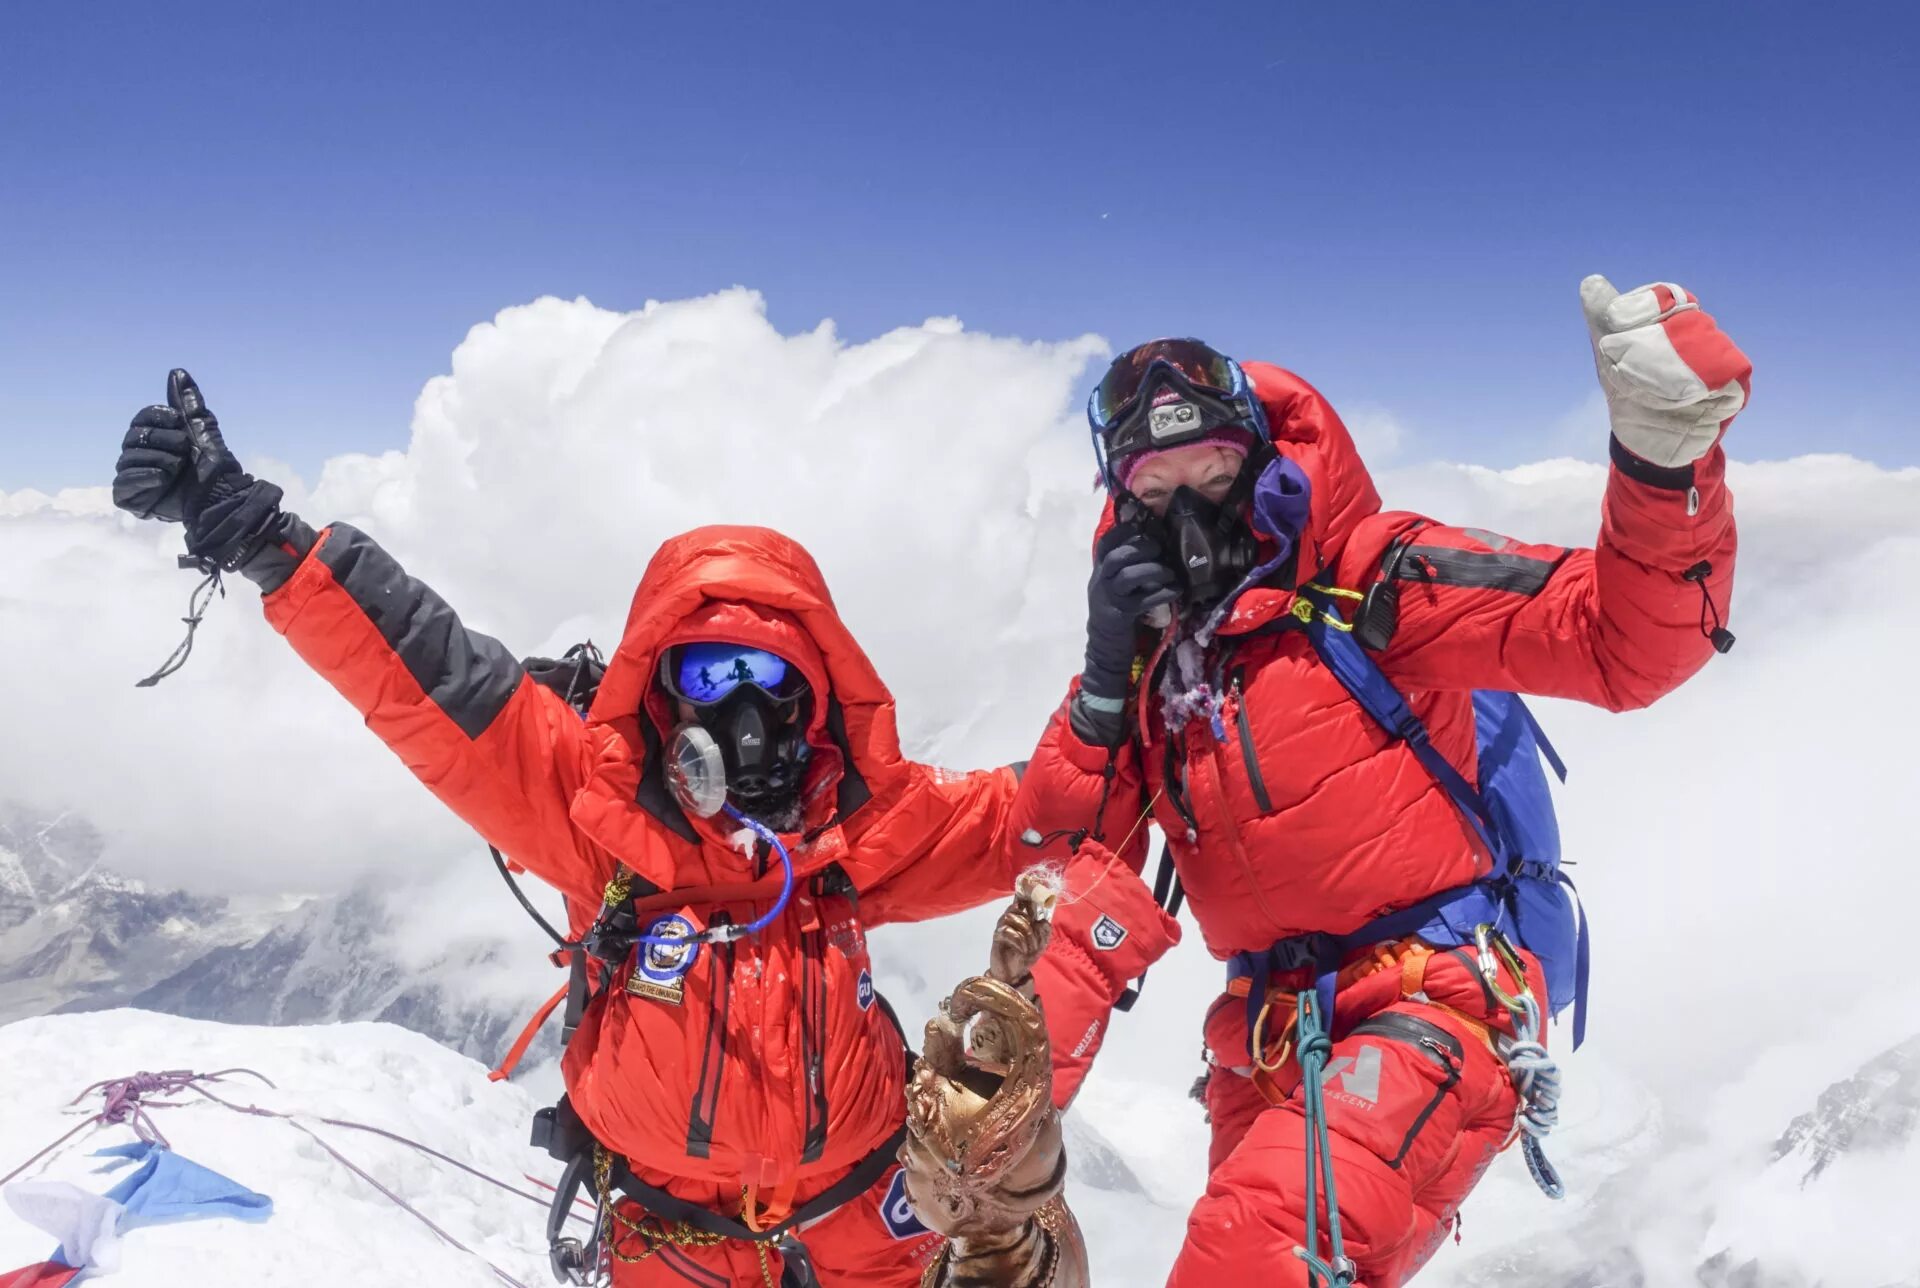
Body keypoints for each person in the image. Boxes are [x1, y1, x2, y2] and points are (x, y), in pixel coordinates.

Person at [110, 371, 1028, 1287]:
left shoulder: (866, 824)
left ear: (818, 689)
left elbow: (1043, 816)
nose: (743, 711)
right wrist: (265, 539)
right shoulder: (597, 810)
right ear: (661, 692)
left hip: (869, 1222)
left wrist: (1135, 698)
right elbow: (433, 678)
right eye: (709, 675)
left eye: (769, 672)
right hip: (670, 1239)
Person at [1011, 276, 1749, 1286]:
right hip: (1268, 1036)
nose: (1188, 513)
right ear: (1122, 507)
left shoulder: (1374, 578)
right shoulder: (1151, 654)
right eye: (1154, 488)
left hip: (1436, 997)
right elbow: (1070, 861)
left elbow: (1621, 641)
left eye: (1215, 467)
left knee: (1253, 1254)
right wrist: (1106, 677)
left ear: (1262, 459)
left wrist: (1664, 468)